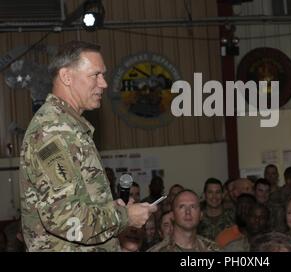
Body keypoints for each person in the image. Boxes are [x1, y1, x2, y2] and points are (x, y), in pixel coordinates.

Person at [19, 41, 156, 251]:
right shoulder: (54, 131)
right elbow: (65, 217)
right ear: (66, 77)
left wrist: (109, 209)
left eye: (103, 75)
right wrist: (125, 217)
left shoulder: (69, 126)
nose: (104, 83)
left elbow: (78, 203)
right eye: (96, 75)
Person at [149, 190, 220, 252]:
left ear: (201, 215)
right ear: (172, 215)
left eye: (193, 207)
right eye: (181, 207)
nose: (188, 212)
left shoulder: (213, 249)